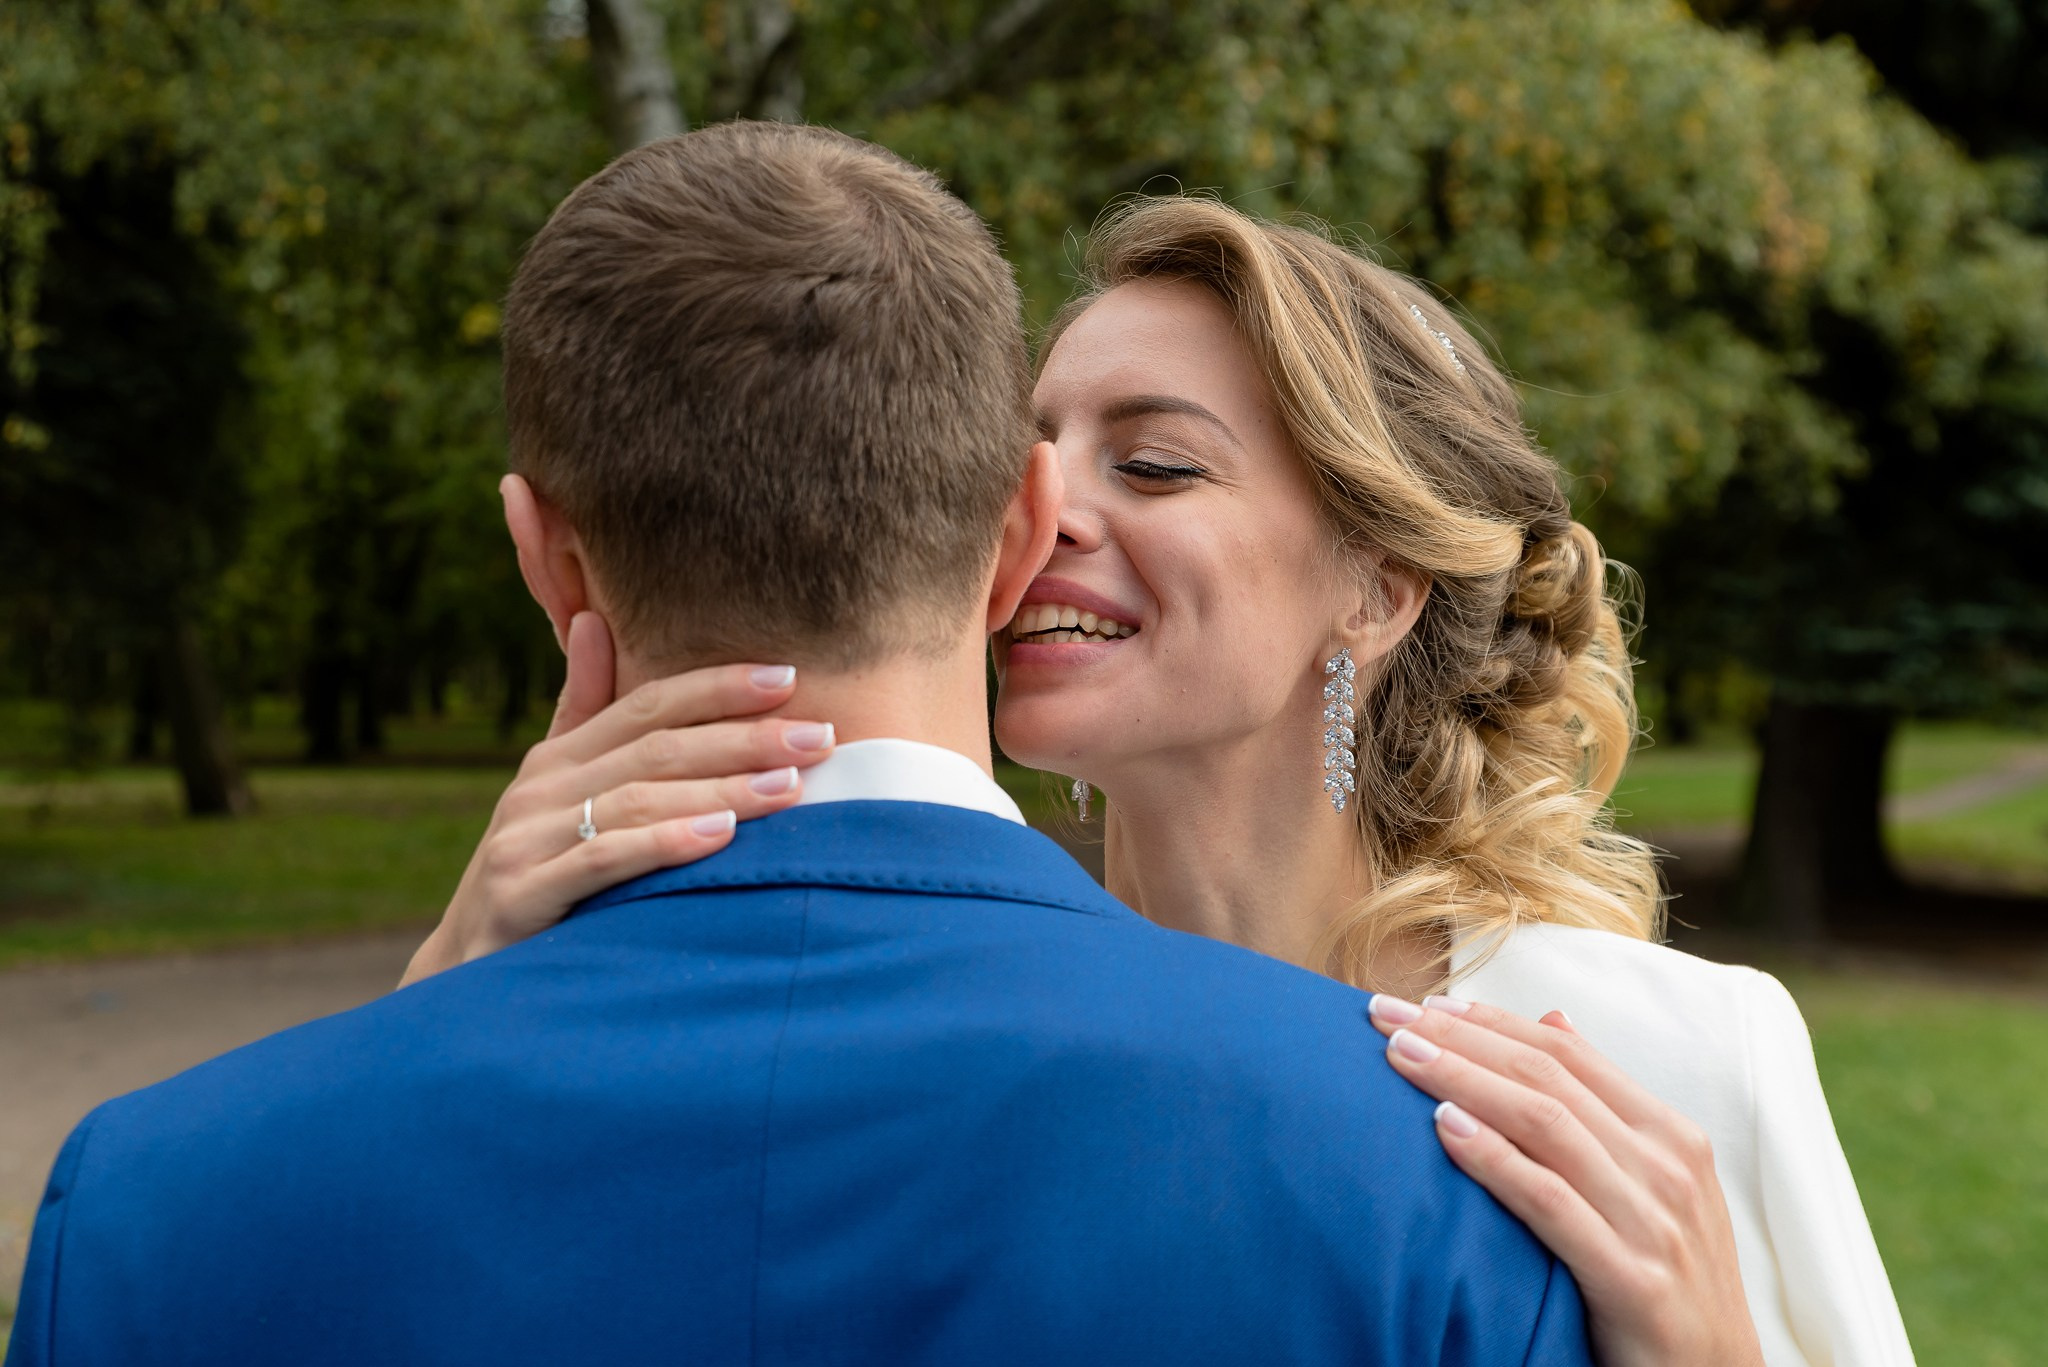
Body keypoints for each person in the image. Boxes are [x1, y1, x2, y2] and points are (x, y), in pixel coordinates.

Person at [4, 125, 1594, 1366]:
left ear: (545, 558)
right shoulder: (1431, 1179)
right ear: (1020, 528)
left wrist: (402, 1051)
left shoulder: (159, 1200)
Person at [412, 197, 1917, 1366]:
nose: (1048, 511)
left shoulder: (1671, 1055)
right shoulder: (946, 1021)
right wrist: (452, 1006)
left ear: (1376, 587)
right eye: (1035, 459)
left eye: (1156, 466)